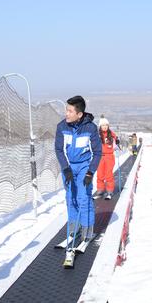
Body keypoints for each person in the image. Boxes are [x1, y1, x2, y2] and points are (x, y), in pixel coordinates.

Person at [54, 95, 102, 245]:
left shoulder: (90, 128)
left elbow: (97, 152)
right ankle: (73, 229)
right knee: (70, 198)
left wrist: (90, 172)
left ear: (79, 114)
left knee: (83, 197)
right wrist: (65, 168)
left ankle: (88, 231)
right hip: (69, 166)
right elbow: (58, 149)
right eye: (66, 110)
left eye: (69, 111)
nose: (66, 114)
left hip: (84, 166)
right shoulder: (62, 126)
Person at [94, 117, 117, 200]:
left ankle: (110, 190)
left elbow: (115, 143)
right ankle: (100, 189)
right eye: (103, 125)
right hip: (100, 156)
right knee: (100, 174)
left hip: (109, 156)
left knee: (108, 174)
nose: (105, 127)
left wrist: (117, 141)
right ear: (100, 126)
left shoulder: (111, 134)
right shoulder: (97, 135)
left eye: (106, 125)